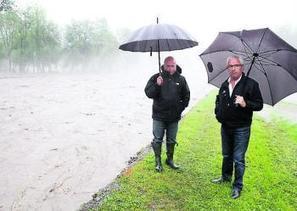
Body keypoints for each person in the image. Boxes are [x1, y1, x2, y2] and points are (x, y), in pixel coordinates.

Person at [212, 55, 263, 199]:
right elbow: (218, 100)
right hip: (226, 127)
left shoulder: (251, 84)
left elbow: (259, 105)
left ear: (242, 67)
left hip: (241, 128)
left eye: (236, 65)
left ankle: (237, 186)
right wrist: (218, 113)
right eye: (230, 66)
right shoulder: (224, 84)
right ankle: (226, 177)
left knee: (238, 158)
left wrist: (245, 103)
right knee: (226, 155)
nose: (233, 68)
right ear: (227, 68)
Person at [145, 56, 190, 172]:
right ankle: (158, 161)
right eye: (168, 66)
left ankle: (169, 160)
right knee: (157, 139)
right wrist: (157, 85)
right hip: (159, 116)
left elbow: (186, 96)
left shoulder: (181, 79)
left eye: (172, 66)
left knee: (171, 140)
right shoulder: (157, 77)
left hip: (173, 117)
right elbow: (148, 93)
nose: (170, 68)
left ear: (176, 65)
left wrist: (180, 108)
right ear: (164, 66)